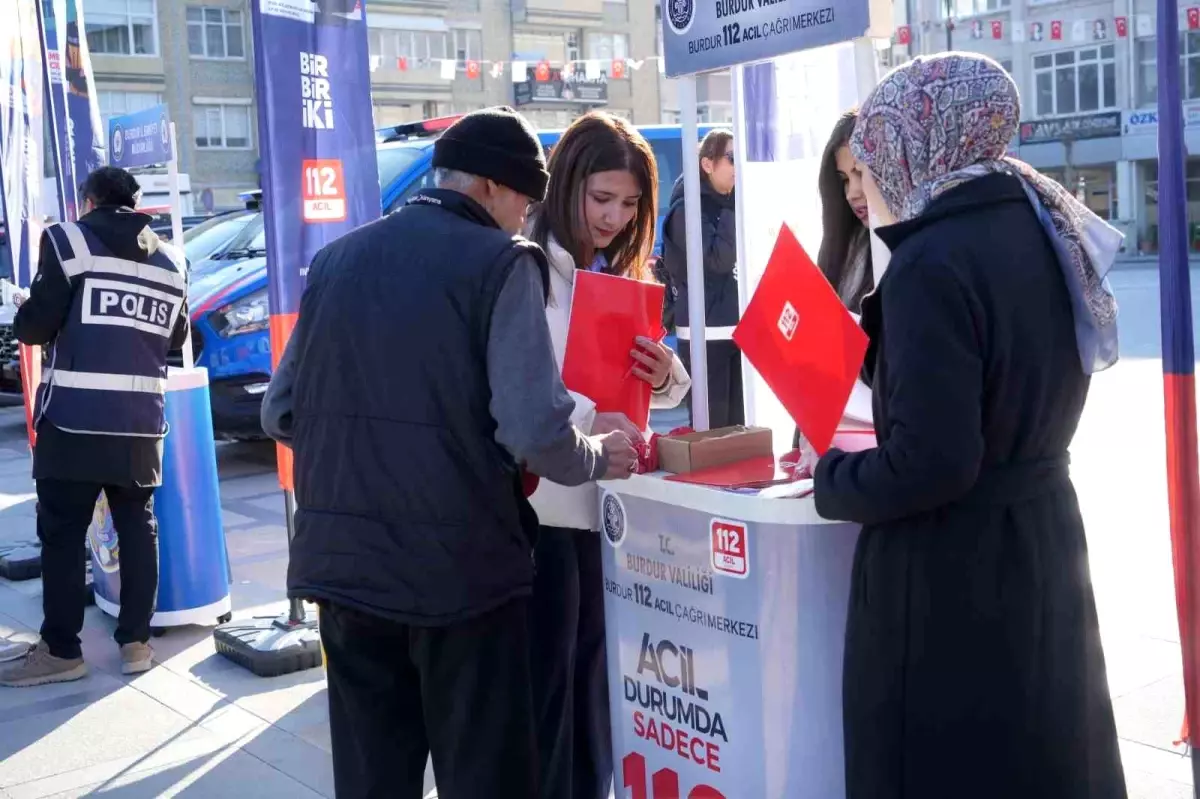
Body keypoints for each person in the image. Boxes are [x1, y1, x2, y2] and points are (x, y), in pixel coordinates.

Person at [259, 107, 639, 799]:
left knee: (373, 780)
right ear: (491, 187)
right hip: (461, 576)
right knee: (486, 775)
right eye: (523, 199)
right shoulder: (503, 263)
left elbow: (279, 410)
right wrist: (596, 455)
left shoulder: (337, 259)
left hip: (344, 572)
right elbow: (534, 431)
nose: (525, 217)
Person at [813, 54, 1126, 798]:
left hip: (951, 578)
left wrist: (832, 477)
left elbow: (932, 462)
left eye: (873, 157)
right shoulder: (1042, 224)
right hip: (1041, 541)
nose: (869, 180)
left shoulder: (930, 260)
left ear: (916, 143)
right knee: (1044, 757)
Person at [527, 111, 691, 799]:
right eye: (602, 198)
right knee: (550, 686)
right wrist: (593, 414)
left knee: (595, 678)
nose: (615, 217)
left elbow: (648, 380)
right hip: (540, 505)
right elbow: (518, 386)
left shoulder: (618, 270)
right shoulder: (526, 266)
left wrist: (667, 374)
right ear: (566, 183)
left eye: (628, 204)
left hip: (607, 503)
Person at [0, 166, 189, 687]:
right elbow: (175, 338)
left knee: (62, 535)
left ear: (88, 201)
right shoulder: (173, 260)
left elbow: (35, 328)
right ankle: (136, 644)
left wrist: (25, 305)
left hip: (75, 421)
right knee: (138, 529)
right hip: (141, 424)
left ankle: (62, 652)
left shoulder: (69, 241)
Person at [793, 110, 876, 451]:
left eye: (860, 173)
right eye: (844, 179)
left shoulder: (914, 251)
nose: (853, 192)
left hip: (882, 444)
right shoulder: (843, 247)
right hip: (831, 440)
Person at [662, 128, 741, 428]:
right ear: (708, 164)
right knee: (714, 430)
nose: (738, 167)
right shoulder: (687, 209)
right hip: (705, 333)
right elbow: (718, 260)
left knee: (743, 427)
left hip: (738, 329)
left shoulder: (727, 202)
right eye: (731, 158)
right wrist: (732, 207)